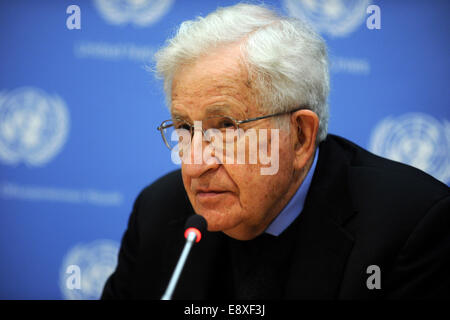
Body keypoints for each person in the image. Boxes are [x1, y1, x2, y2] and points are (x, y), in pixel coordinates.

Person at [102, 3, 450, 299]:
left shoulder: (411, 227)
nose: (193, 164)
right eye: (184, 127)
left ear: (300, 136)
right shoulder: (157, 212)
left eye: (226, 128)